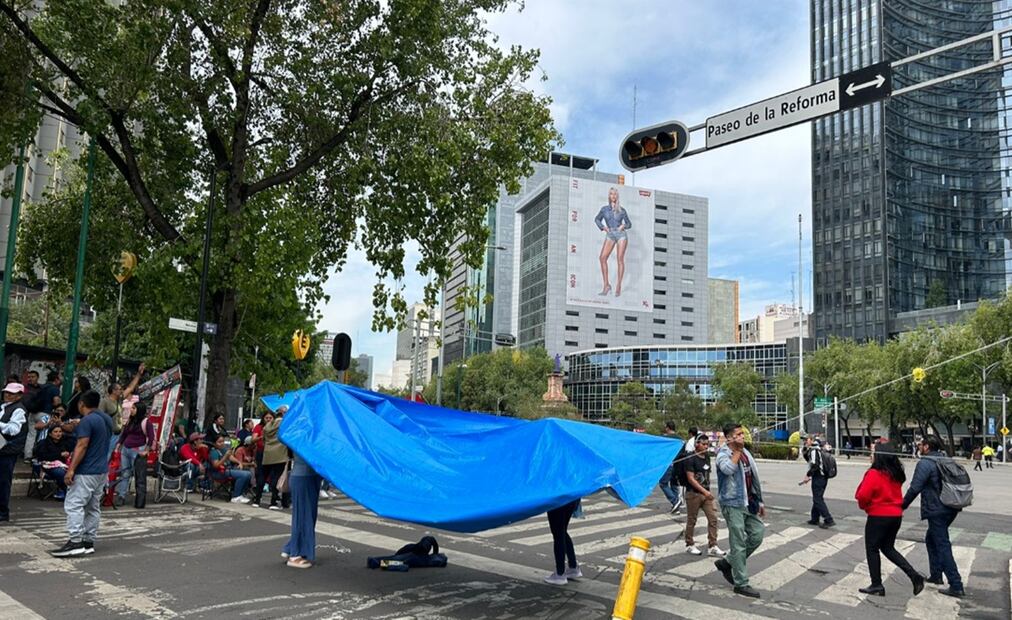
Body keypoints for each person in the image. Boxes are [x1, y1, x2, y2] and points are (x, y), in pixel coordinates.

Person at [855, 441, 924, 597]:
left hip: (878, 516)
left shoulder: (874, 473)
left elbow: (863, 495)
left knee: (872, 548)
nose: (870, 457)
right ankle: (914, 575)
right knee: (888, 548)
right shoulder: (895, 474)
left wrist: (865, 507)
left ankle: (877, 584)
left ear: (878, 456)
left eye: (872, 453)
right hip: (896, 516)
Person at [50, 390, 112, 557]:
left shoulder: (87, 420)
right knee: (93, 507)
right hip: (101, 470)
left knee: (74, 504)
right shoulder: (105, 419)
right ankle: (88, 541)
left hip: (87, 470)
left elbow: (82, 445)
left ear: (81, 404)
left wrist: (71, 469)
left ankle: (75, 542)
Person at [902, 435, 965, 598]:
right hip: (951, 506)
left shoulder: (925, 463)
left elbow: (915, 487)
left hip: (937, 509)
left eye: (920, 445)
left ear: (927, 447)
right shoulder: (945, 459)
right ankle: (936, 575)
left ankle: (956, 584)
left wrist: (902, 505)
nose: (919, 447)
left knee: (942, 543)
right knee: (931, 539)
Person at [713, 423, 765, 599]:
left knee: (758, 534)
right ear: (729, 437)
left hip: (748, 502)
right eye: (738, 434)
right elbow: (728, 469)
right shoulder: (722, 454)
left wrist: (760, 500)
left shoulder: (746, 453)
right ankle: (741, 583)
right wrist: (737, 451)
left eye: (742, 433)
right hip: (732, 503)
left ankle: (727, 562)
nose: (742, 436)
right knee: (738, 543)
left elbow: (754, 476)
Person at [684, 434, 724, 557]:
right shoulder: (690, 458)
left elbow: (706, 475)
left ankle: (713, 545)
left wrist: (708, 491)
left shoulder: (706, 457)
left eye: (708, 444)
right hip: (693, 494)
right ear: (697, 444)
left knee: (713, 519)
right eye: (704, 444)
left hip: (706, 494)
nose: (706, 446)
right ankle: (689, 544)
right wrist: (704, 491)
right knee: (692, 520)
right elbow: (691, 479)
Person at [283, 451, 324, 568]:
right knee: (303, 516)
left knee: (307, 516)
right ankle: (295, 554)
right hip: (303, 476)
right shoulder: (301, 436)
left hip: (307, 476)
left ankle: (291, 547)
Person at [113, 403, 156, 505]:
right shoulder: (130, 421)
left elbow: (151, 437)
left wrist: (146, 450)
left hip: (137, 451)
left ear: (139, 409)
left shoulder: (146, 422)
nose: (131, 410)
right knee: (125, 473)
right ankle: (121, 496)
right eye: (131, 408)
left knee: (138, 475)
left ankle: (139, 499)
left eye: (134, 408)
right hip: (125, 450)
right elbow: (124, 434)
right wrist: (118, 445)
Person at [593, 186, 632, 297]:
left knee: (620, 259)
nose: (613, 196)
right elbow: (596, 219)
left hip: (621, 235)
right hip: (610, 234)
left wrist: (623, 225)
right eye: (611, 194)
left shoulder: (622, 210)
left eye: (615, 194)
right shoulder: (604, 209)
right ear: (609, 196)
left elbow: (629, 224)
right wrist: (603, 227)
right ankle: (606, 285)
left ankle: (618, 285)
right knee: (602, 258)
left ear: (617, 196)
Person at [0, 383, 29, 522]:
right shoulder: (4, 407)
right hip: (3, 448)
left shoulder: (19, 410)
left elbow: (13, 430)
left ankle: (2, 512)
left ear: (19, 395)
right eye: (6, 393)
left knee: (3, 482)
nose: (7, 395)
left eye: (11, 394)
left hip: (7, 451)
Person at [543, 498, 581, 585]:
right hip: (572, 499)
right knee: (562, 531)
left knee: (558, 534)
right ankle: (573, 567)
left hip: (558, 500)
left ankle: (560, 574)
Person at [258, 408, 290, 510]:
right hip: (280, 453)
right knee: (277, 477)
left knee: (263, 476)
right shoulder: (285, 423)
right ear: (283, 414)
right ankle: (273, 502)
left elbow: (263, 438)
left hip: (267, 453)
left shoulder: (268, 425)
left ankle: (257, 499)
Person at [34, 425, 77, 500]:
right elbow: (42, 456)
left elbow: (74, 441)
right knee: (60, 473)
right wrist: (59, 455)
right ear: (50, 434)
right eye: (55, 432)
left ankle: (72, 492)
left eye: (60, 432)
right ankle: (65, 491)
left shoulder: (64, 442)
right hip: (46, 466)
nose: (58, 434)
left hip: (62, 465)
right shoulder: (43, 443)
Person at [802, 437, 836, 528]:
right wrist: (804, 449)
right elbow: (808, 459)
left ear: (812, 440)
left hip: (818, 477)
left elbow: (815, 465)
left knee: (817, 499)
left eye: (806, 440)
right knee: (817, 497)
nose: (805, 441)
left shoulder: (814, 450)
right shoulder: (819, 449)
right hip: (823, 477)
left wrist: (808, 475)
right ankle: (815, 518)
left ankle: (828, 519)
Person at [208, 435, 252, 503]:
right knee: (244, 475)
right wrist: (225, 457)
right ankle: (236, 496)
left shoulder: (223, 449)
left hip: (227, 469)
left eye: (223, 441)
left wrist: (239, 462)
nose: (222, 443)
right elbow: (216, 465)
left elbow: (231, 457)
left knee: (248, 474)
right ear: (214, 443)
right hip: (219, 472)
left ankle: (241, 493)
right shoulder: (214, 452)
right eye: (219, 442)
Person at [250, 410, 272, 507]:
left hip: (273, 453)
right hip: (261, 452)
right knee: (260, 474)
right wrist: (261, 436)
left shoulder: (275, 427)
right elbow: (253, 439)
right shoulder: (258, 427)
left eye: (270, 418)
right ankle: (258, 497)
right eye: (266, 418)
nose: (268, 419)